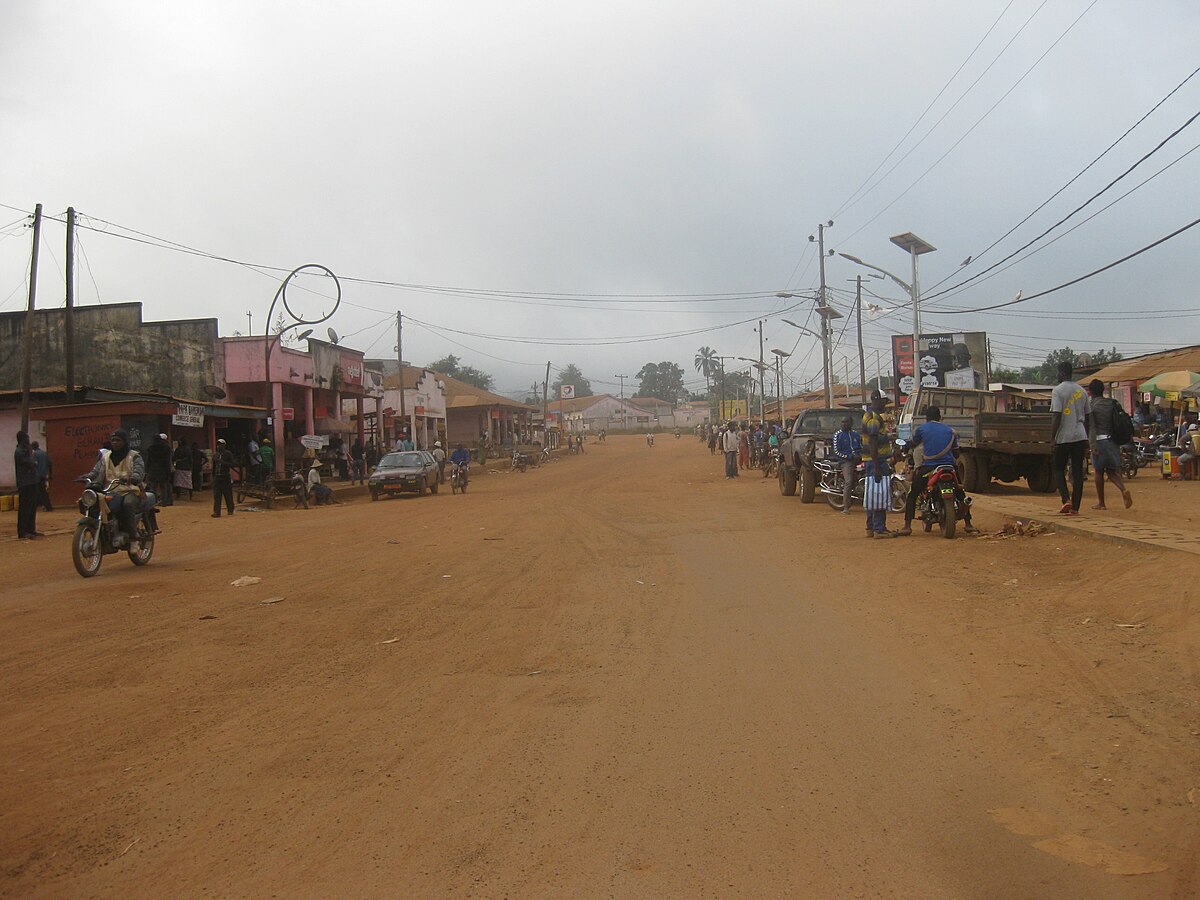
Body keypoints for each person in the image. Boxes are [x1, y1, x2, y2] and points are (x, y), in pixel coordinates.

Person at [896, 405, 979, 536]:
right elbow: (956, 454)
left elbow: (913, 444)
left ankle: (907, 526)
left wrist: (906, 448)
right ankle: (968, 524)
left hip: (930, 468)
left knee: (913, 493)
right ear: (940, 418)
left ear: (927, 418)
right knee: (960, 492)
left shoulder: (922, 429)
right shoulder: (950, 431)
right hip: (949, 468)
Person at [81, 429, 152, 539]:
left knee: (127, 504)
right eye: (113, 440)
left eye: (118, 440)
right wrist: (87, 477)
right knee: (94, 503)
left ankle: (133, 537)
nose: (114, 442)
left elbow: (139, 470)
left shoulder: (134, 456)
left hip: (131, 490)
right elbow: (96, 471)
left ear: (125, 442)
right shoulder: (106, 457)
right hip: (112, 490)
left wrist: (134, 477)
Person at [1050, 361, 1090, 516]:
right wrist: (1086, 439)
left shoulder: (1058, 391)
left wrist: (1052, 437)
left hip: (1064, 436)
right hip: (1080, 435)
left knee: (1058, 468)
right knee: (1077, 472)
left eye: (1057, 372)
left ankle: (1066, 499)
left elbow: (1057, 415)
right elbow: (1088, 416)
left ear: (1061, 373)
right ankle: (1076, 507)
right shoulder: (1082, 391)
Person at [1085, 379, 1133, 508]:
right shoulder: (1112, 403)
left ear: (1090, 391)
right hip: (1112, 441)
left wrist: (1092, 446)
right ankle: (1123, 489)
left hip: (1099, 441)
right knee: (1112, 472)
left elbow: (1092, 428)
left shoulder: (1091, 406)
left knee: (1099, 472)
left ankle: (1101, 503)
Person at [862, 390, 896, 538]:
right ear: (878, 400)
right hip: (876, 460)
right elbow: (873, 442)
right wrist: (877, 467)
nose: (885, 405)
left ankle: (871, 527)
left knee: (872, 494)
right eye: (884, 401)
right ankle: (879, 529)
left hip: (872, 460)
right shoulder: (874, 418)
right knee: (879, 494)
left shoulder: (869, 415)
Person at [832, 416, 863, 515]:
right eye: (842, 422)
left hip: (859, 459)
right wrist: (849, 456)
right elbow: (837, 452)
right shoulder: (838, 435)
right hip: (846, 461)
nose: (844, 424)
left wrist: (861, 455)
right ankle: (846, 507)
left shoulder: (856, 434)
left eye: (846, 422)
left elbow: (861, 446)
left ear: (851, 423)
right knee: (848, 482)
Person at [14, 431, 41, 540]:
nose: (28, 440)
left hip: (32, 482)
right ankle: (23, 531)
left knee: (32, 506)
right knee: (25, 507)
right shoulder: (19, 452)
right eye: (27, 438)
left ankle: (31, 530)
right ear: (22, 439)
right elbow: (31, 463)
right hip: (25, 483)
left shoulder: (25, 451)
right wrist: (31, 454)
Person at [147, 433, 174, 507]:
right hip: (163, 469)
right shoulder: (166, 448)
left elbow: (148, 461)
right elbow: (167, 461)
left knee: (153, 487)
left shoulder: (150, 448)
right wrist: (168, 472)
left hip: (153, 469)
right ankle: (164, 501)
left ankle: (151, 502)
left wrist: (147, 470)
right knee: (163, 487)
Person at [211, 438, 236, 518]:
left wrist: (223, 462)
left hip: (225, 476)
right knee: (217, 495)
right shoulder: (216, 455)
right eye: (218, 444)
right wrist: (213, 476)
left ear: (224, 445)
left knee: (228, 494)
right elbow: (214, 467)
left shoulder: (228, 454)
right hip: (217, 477)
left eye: (220, 444)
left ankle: (230, 510)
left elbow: (232, 464)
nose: (219, 446)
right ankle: (217, 512)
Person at [32, 440, 52, 511]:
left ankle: (48, 507)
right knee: (42, 491)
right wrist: (50, 474)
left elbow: (33, 465)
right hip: (44, 475)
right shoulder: (44, 453)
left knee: (41, 492)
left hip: (37, 476)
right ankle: (45, 505)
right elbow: (50, 464)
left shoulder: (34, 454)